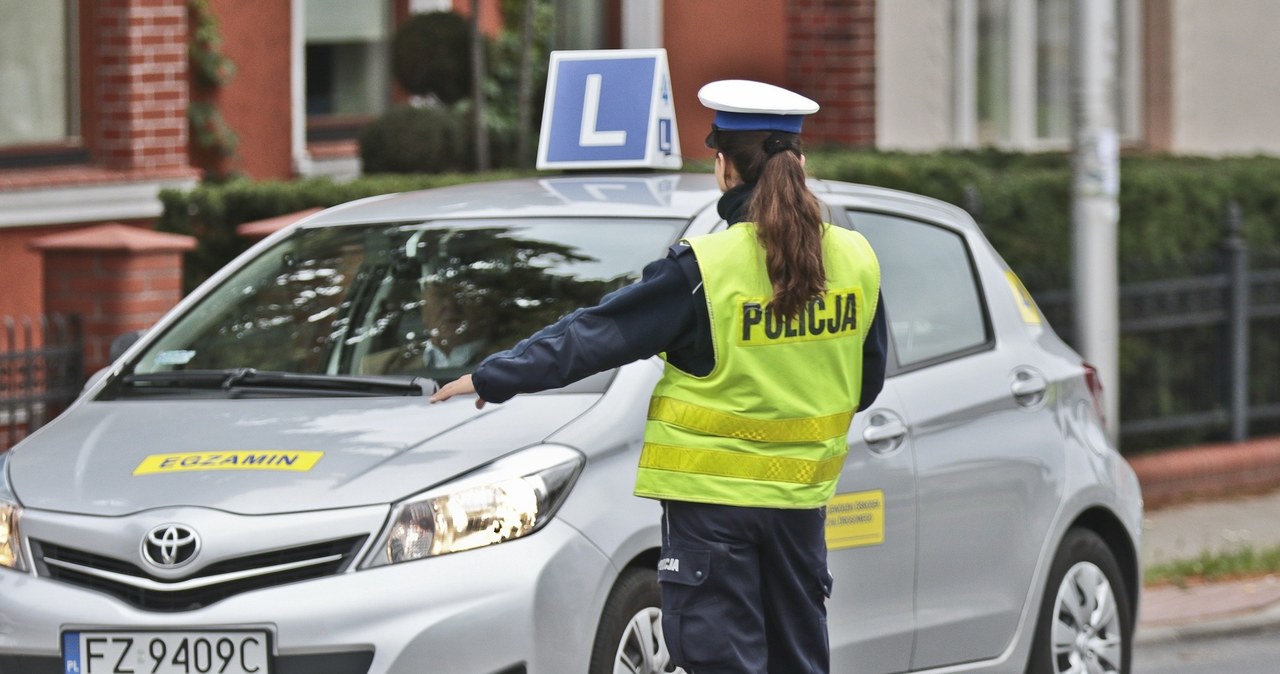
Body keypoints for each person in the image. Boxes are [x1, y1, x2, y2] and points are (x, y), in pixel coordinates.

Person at [431, 79, 887, 674]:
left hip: (712, 514)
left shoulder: (704, 268)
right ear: (798, 163)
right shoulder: (856, 258)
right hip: (800, 508)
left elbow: (595, 334)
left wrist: (492, 377)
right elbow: (865, 382)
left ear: (723, 167)